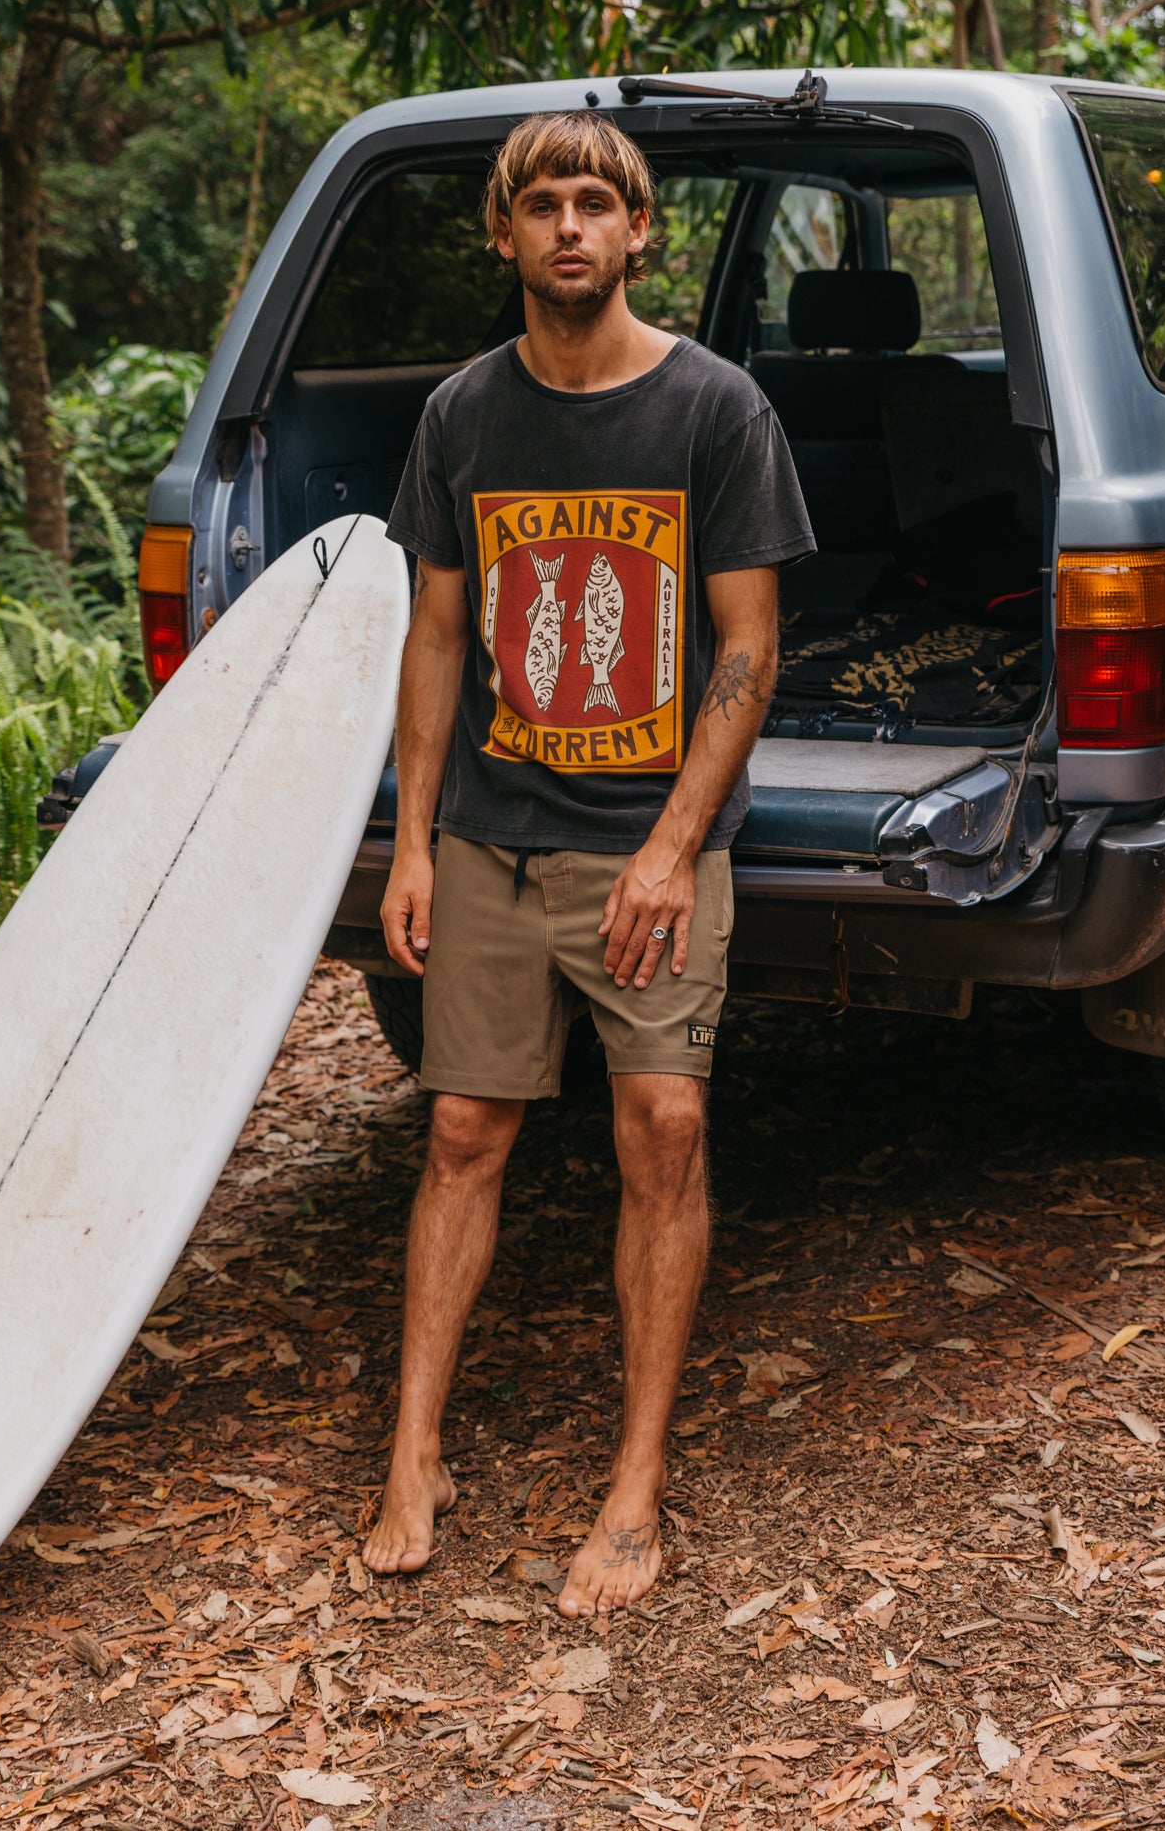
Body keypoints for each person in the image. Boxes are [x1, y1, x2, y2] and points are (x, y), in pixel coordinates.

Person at [363, 110, 814, 1618]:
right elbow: (435, 636)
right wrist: (412, 843)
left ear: (637, 235)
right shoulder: (461, 418)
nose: (569, 229)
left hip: (648, 849)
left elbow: (748, 651)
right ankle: (413, 1453)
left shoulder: (716, 411)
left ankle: (635, 1487)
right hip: (492, 836)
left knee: (664, 1129)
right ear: (503, 236)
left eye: (595, 206)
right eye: (542, 205)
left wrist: (675, 851)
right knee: (465, 1136)